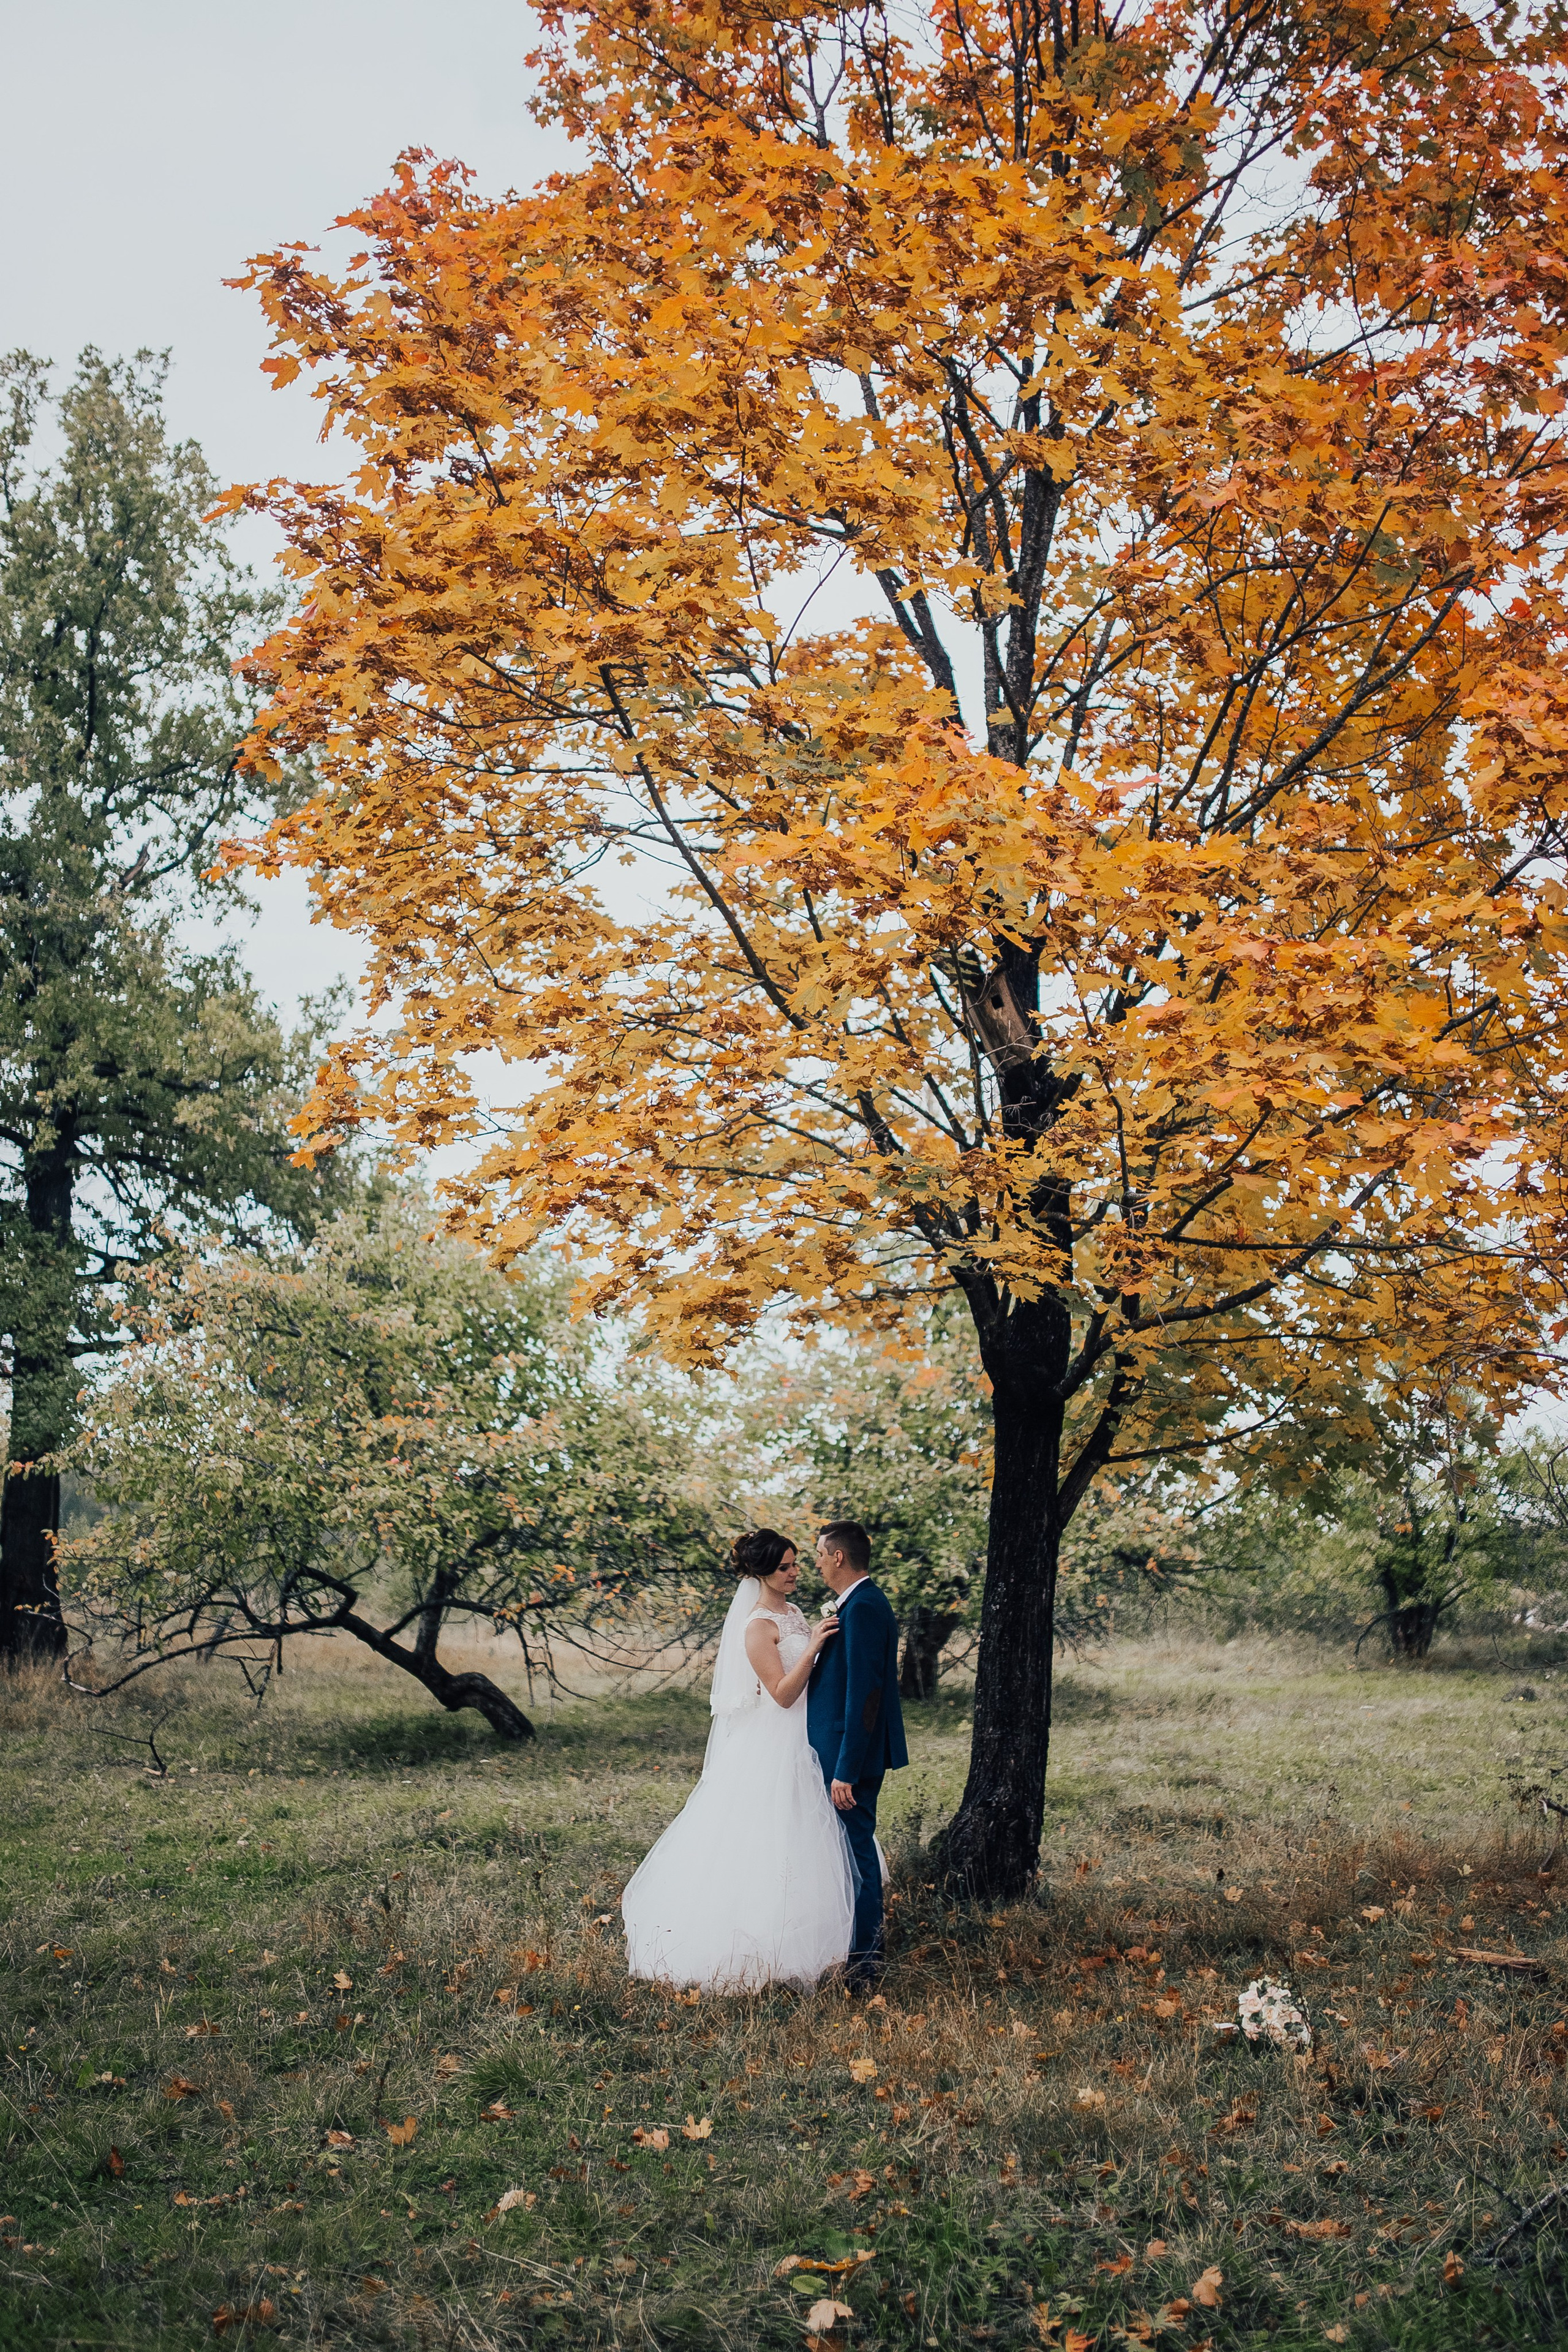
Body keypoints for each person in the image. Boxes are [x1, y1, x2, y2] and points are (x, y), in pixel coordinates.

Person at [621, 1529, 855, 1990]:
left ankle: (816, 1940)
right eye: (785, 1567)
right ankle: (759, 1949)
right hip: (776, 1740)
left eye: (795, 1563)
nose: (795, 1572)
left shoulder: (794, 1613)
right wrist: (812, 1647)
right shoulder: (757, 1627)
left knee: (807, 1833)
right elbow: (782, 1694)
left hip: (808, 1735)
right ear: (762, 1572)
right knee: (770, 1836)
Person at [806, 1520, 908, 1991]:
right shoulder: (856, 1604)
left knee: (857, 1856)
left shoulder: (864, 1607)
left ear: (839, 1556)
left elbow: (866, 1694)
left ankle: (865, 1965)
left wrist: (846, 1769)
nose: (817, 1563)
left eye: (819, 1554)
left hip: (852, 1758)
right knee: (847, 1852)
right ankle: (851, 1950)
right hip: (841, 1752)